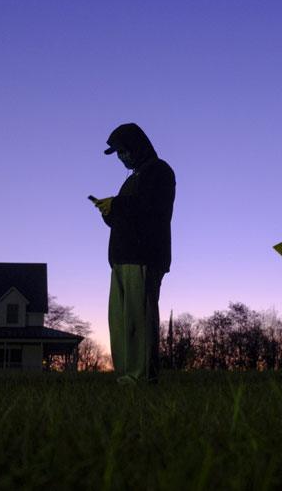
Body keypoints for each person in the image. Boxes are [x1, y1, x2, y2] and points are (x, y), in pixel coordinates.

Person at [93, 123, 175, 385]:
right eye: (118, 153)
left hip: (144, 256)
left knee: (140, 317)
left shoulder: (159, 171)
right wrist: (110, 212)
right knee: (121, 321)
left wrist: (116, 204)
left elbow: (152, 208)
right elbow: (127, 215)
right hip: (121, 258)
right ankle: (127, 374)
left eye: (124, 151)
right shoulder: (133, 178)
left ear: (137, 146)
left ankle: (142, 375)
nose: (122, 157)